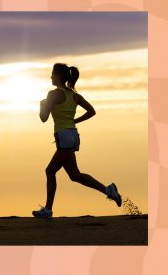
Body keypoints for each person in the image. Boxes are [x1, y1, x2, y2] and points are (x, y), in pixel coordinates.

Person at [32, 63, 122, 219]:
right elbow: (91, 111)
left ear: (59, 76)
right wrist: (74, 121)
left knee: (75, 174)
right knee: (53, 171)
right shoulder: (74, 95)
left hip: (63, 136)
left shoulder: (53, 94)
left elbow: (43, 118)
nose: (51, 76)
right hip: (73, 135)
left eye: (53, 73)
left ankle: (108, 190)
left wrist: (42, 105)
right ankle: (48, 209)